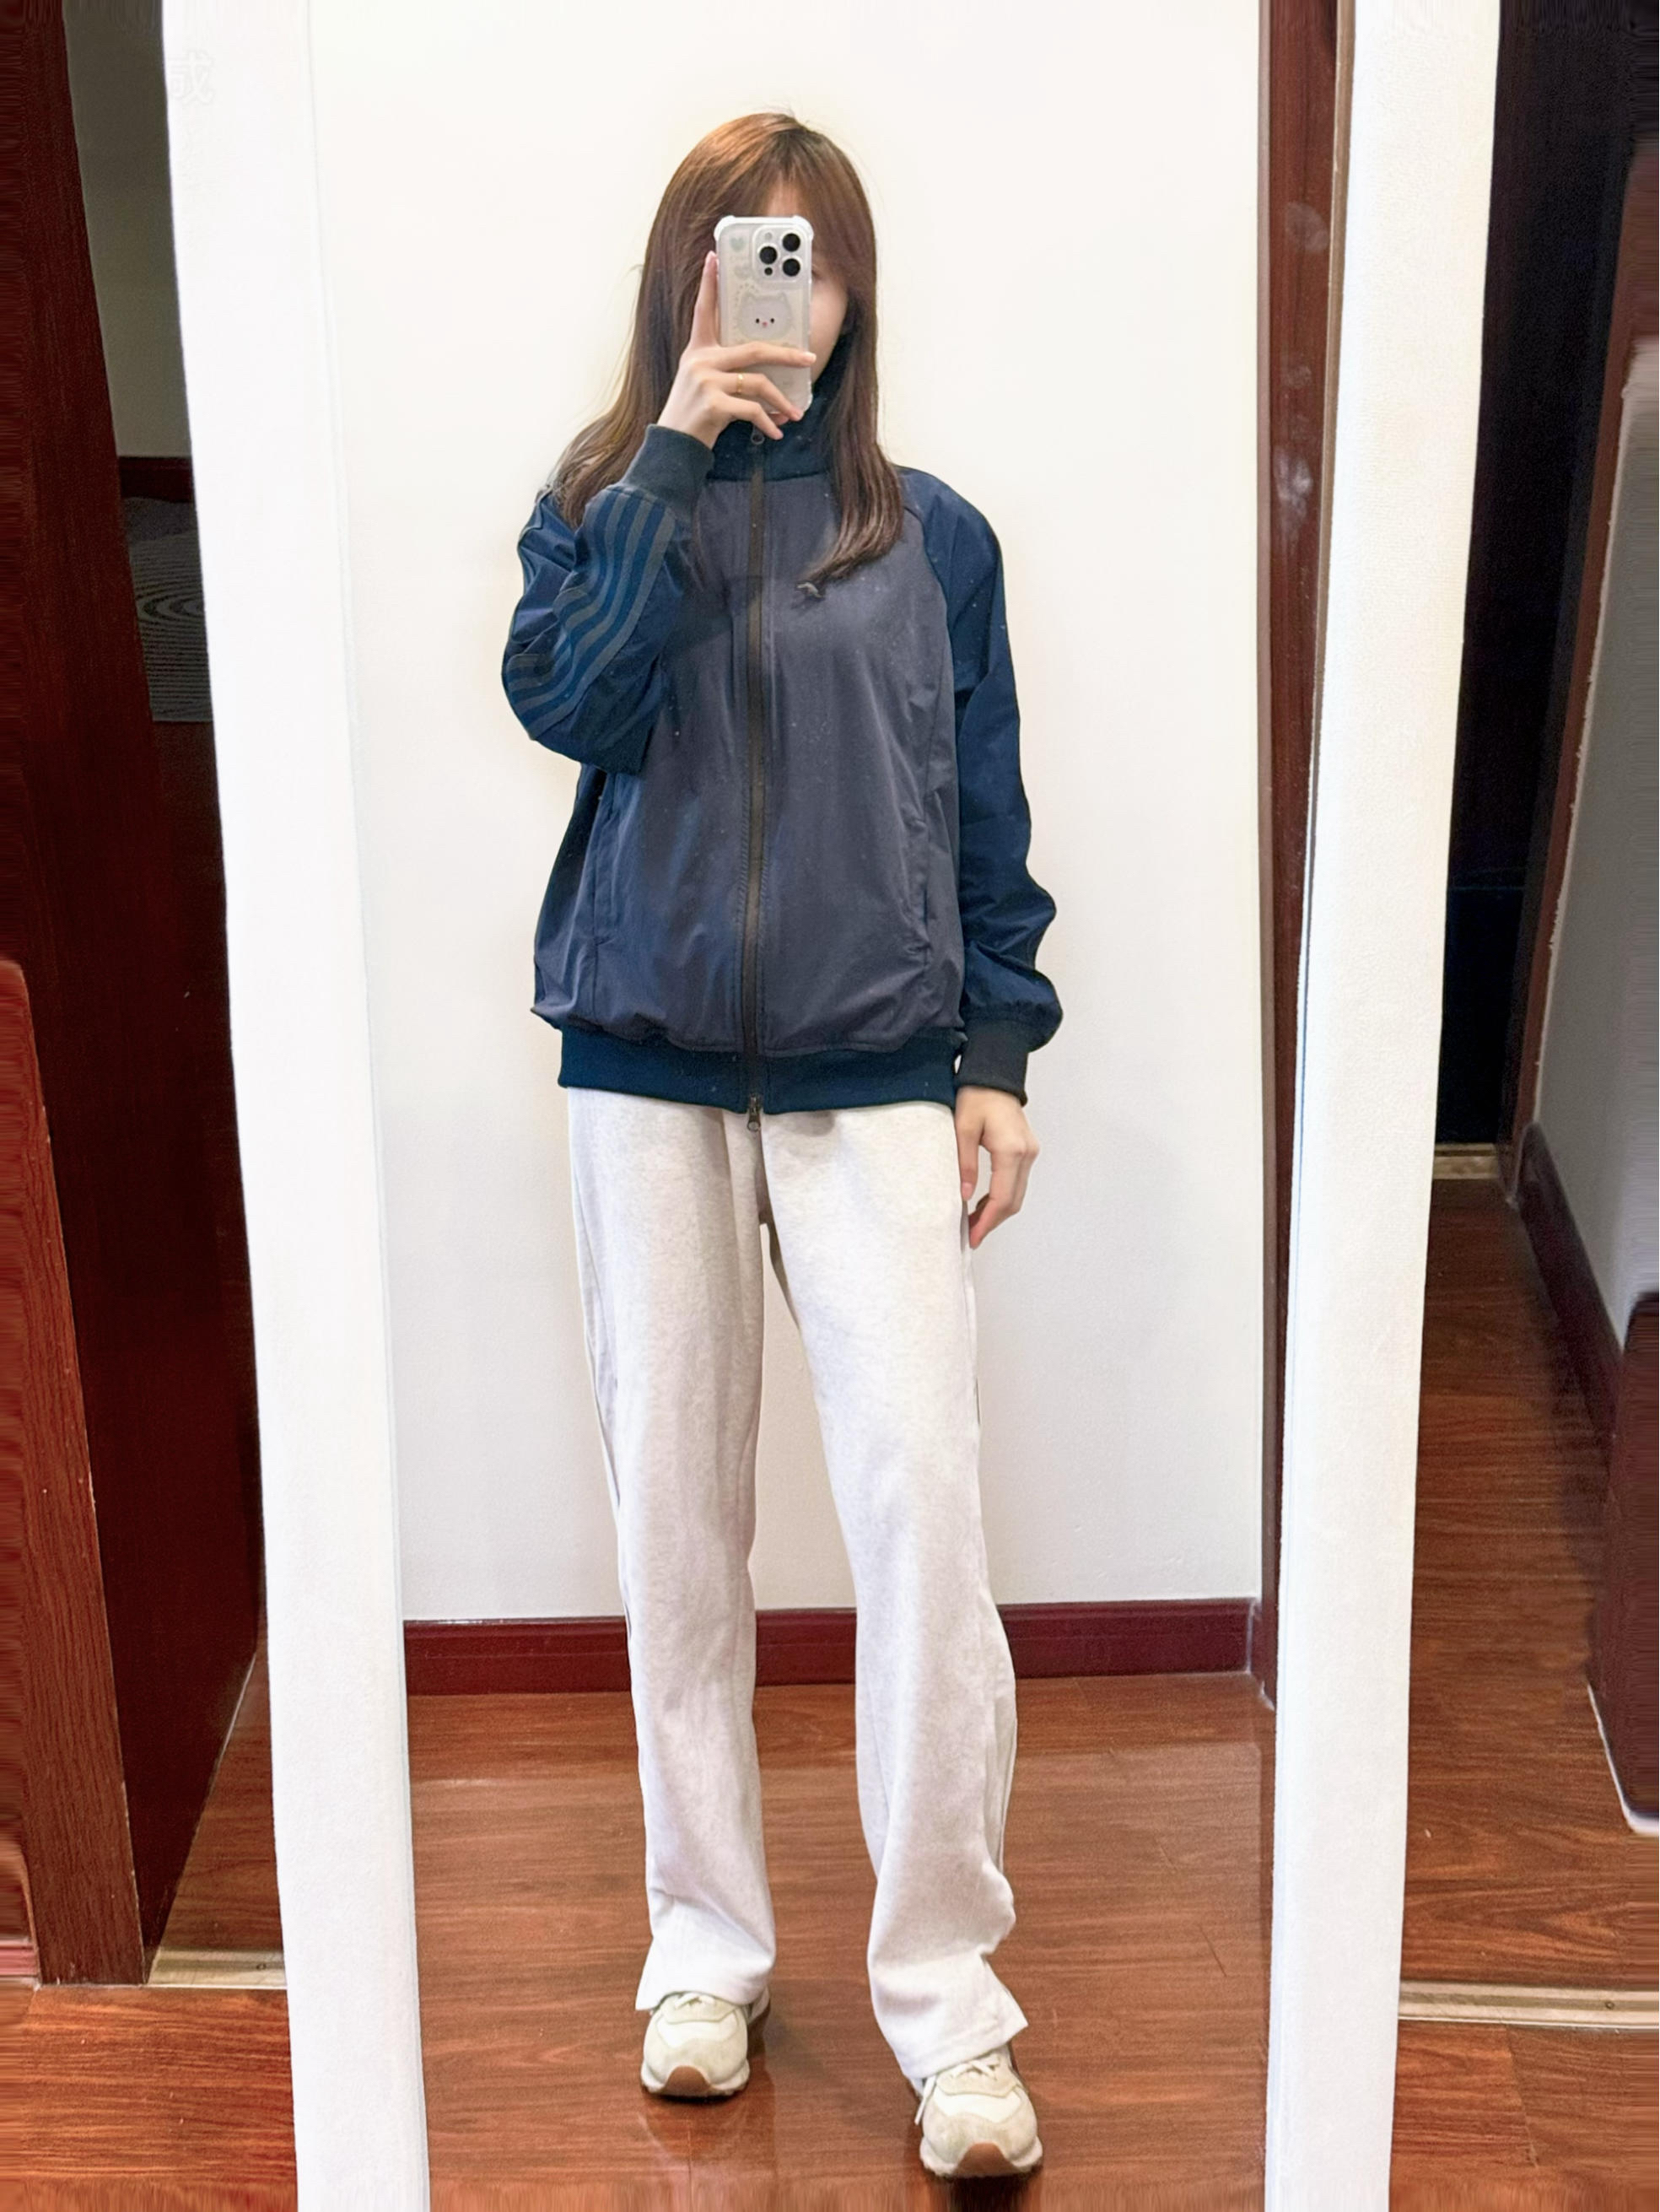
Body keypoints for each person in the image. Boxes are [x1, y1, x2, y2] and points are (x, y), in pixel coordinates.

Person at [501, 111, 1060, 2182]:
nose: (782, 296)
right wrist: (665, 457)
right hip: (644, 1064)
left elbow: (982, 808)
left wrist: (996, 1048)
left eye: (811, 260)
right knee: (677, 1527)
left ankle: (950, 2003)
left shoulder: (935, 538)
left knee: (923, 1520)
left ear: (853, 293)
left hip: (876, 1066)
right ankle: (704, 1952)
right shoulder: (598, 505)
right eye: (748, 254)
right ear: (687, 279)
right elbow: (567, 704)